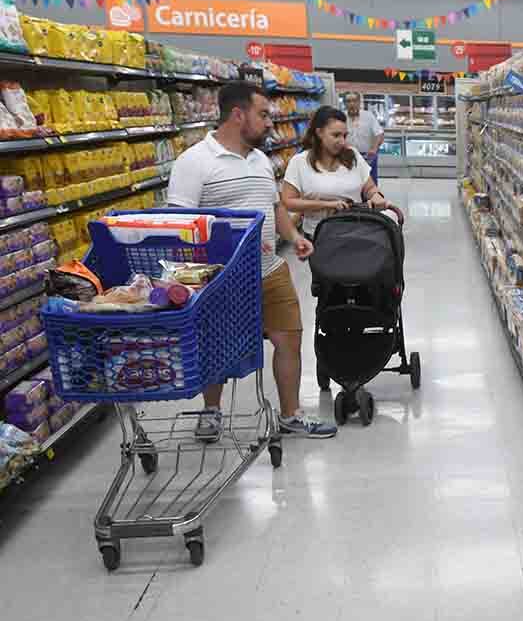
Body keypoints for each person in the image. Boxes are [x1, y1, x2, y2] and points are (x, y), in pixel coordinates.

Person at [166, 81, 338, 440]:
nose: (270, 123)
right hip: (220, 276)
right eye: (263, 115)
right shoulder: (194, 162)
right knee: (215, 344)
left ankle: (290, 414)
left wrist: (294, 237)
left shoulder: (261, 159)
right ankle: (211, 411)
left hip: (269, 268)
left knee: (289, 338)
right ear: (237, 114)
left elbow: (274, 206)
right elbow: (178, 224)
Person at [280, 106, 402, 238]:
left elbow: (370, 187)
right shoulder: (299, 162)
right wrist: (326, 205)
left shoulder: (353, 156)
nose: (342, 141)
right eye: (336, 135)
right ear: (319, 132)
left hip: (355, 233)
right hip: (318, 236)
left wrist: (376, 196)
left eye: (344, 135)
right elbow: (289, 202)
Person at [343, 92, 384, 183]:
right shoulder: (341, 117)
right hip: (348, 155)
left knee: (369, 182)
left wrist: (374, 148)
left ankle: (371, 197)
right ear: (345, 103)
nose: (352, 104)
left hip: (367, 156)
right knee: (350, 182)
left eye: (354, 101)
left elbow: (379, 134)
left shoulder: (368, 116)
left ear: (359, 102)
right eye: (348, 101)